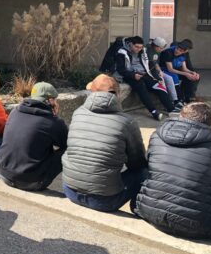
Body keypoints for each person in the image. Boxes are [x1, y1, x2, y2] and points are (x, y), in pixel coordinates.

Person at [136, 102, 211, 253]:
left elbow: (147, 165)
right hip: (197, 225)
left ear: (181, 116)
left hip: (151, 213)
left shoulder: (156, 136)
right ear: (210, 124)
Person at [61, 74, 148, 213]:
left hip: (69, 190)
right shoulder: (127, 122)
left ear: (92, 92)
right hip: (104, 201)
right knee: (144, 172)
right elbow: (137, 163)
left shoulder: (78, 113)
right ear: (118, 94)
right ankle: (139, 209)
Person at [0, 82, 68, 192]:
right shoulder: (53, 122)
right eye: (55, 100)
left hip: (4, 174)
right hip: (31, 182)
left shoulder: (15, 112)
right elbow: (67, 144)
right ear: (50, 100)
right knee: (69, 150)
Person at [113, 35, 174, 120]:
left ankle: (171, 109)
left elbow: (150, 64)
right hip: (128, 75)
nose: (138, 49)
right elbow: (121, 70)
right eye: (136, 47)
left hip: (144, 73)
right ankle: (153, 111)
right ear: (131, 44)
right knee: (141, 87)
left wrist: (157, 77)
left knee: (159, 86)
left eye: (140, 47)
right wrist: (133, 75)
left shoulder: (143, 51)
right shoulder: (122, 52)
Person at [146, 36, 183, 111]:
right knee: (162, 82)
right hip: (149, 72)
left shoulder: (157, 51)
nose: (162, 49)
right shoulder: (148, 50)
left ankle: (174, 101)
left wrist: (159, 71)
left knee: (169, 79)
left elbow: (156, 63)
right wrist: (158, 76)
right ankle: (168, 105)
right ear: (156, 46)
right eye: (161, 48)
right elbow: (151, 64)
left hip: (156, 71)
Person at [160, 39, 201, 104]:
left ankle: (189, 98)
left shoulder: (184, 54)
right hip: (165, 70)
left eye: (180, 51)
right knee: (175, 77)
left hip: (175, 70)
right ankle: (178, 99)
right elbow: (170, 69)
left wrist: (192, 73)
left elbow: (184, 68)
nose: (177, 51)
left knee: (192, 77)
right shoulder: (168, 52)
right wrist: (186, 74)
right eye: (177, 49)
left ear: (185, 51)